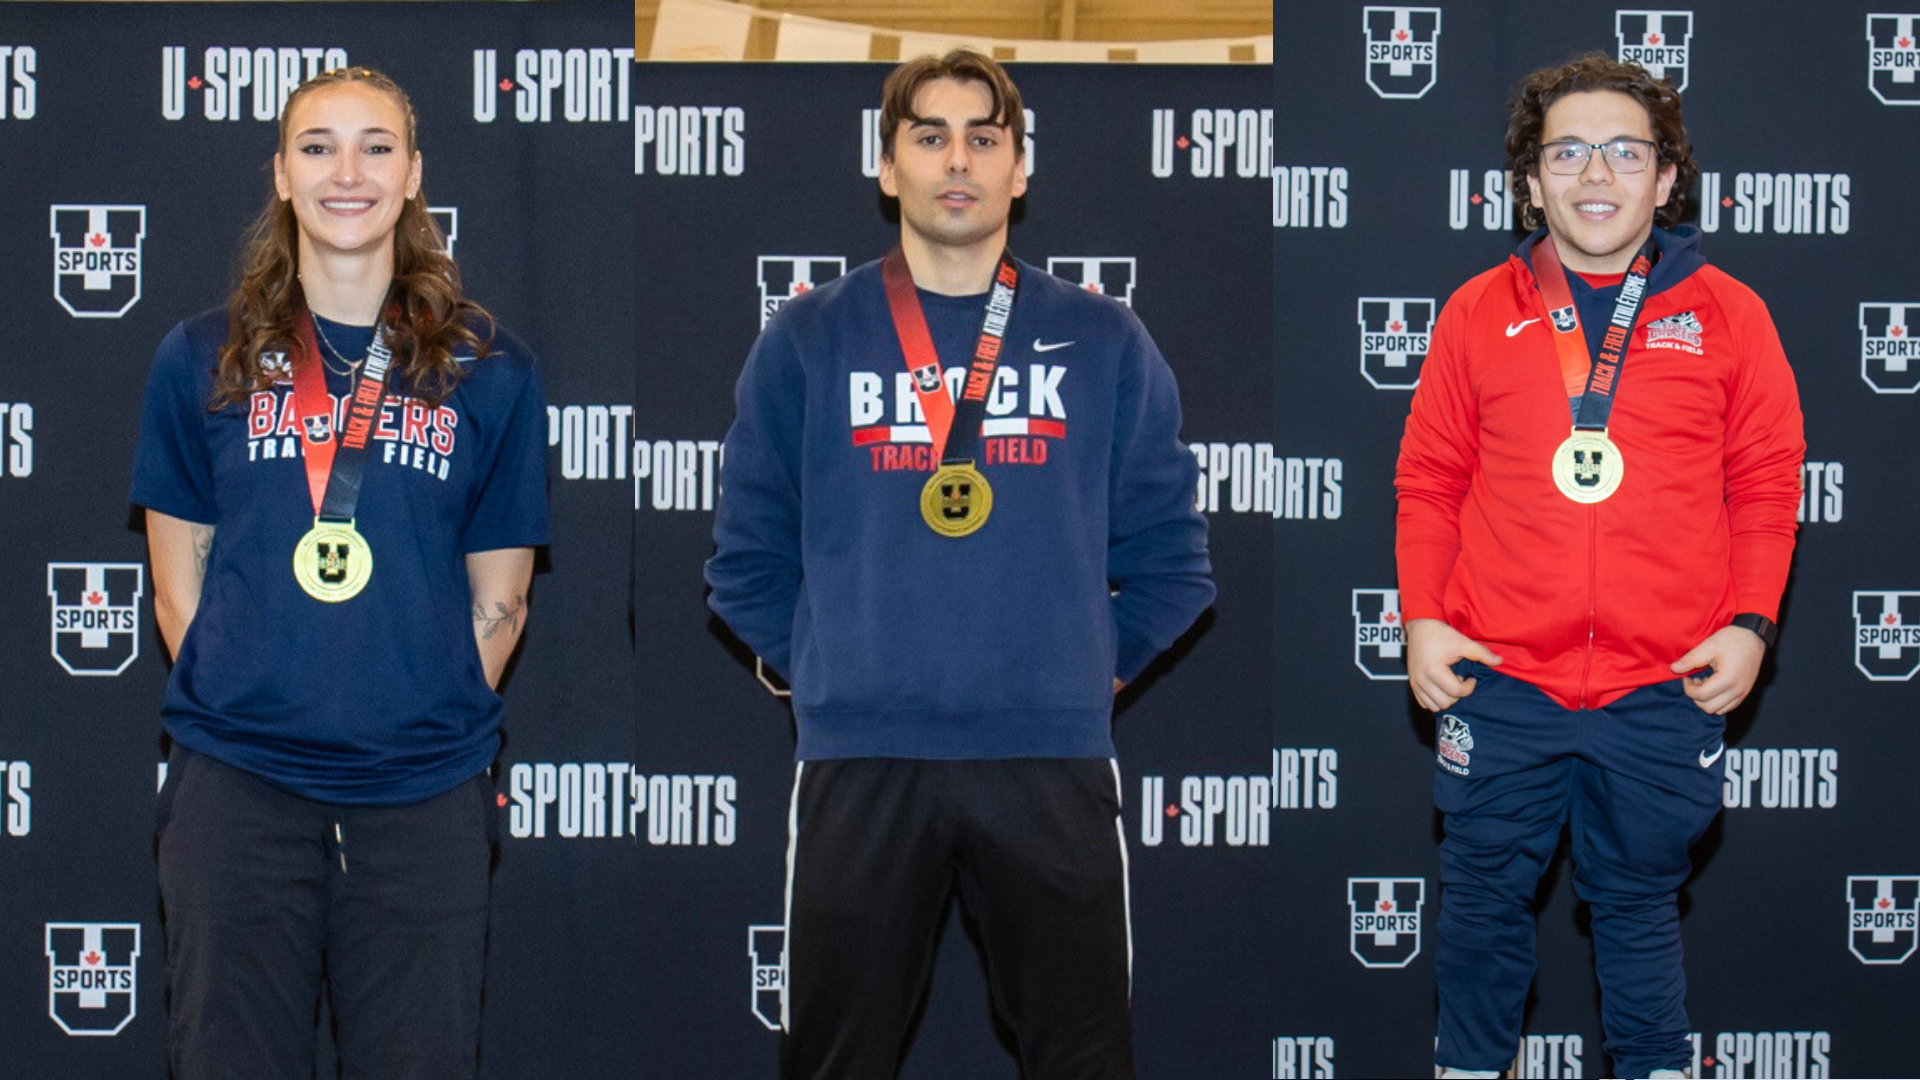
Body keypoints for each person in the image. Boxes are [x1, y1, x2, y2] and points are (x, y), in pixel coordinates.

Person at [705, 49, 1213, 1080]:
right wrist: (836, 670)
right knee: (835, 1060)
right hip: (860, 758)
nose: (957, 160)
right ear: (886, 166)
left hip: (1049, 758)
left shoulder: (1103, 338)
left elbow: (1173, 561)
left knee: (1082, 1058)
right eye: (928, 135)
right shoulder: (809, 337)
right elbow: (746, 559)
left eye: (984, 137)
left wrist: (1074, 676)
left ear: (1020, 169)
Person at [131, 67, 548, 1080]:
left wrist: (410, 718)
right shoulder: (202, 357)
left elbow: (502, 598)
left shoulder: (492, 369)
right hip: (239, 793)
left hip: (423, 798)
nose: (346, 172)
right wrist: (256, 712)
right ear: (281, 174)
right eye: (318, 147)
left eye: (375, 147)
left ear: (413, 176)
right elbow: (176, 586)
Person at [1395, 54, 1804, 1080]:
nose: (1596, 174)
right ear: (1530, 181)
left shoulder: (1730, 316)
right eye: (1568, 150)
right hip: (1505, 676)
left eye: (1626, 151)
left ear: (1667, 179)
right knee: (1483, 905)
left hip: (1663, 681)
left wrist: (1751, 623)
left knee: (1638, 906)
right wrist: (1422, 618)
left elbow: (1766, 483)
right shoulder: (1478, 310)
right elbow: (1430, 483)